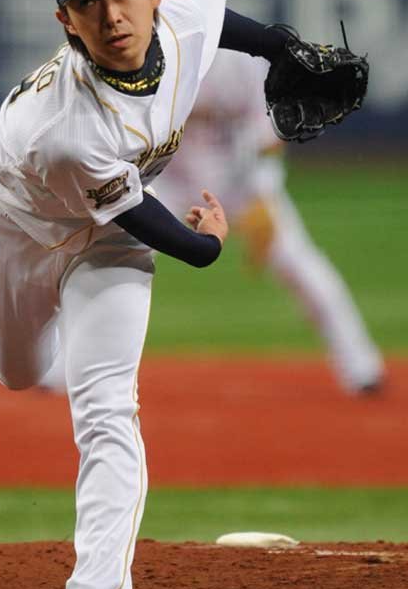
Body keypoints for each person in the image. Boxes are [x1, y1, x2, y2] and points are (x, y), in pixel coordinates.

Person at [0, 0, 320, 589]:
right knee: (19, 371)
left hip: (108, 238)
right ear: (65, 21)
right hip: (16, 226)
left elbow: (226, 23)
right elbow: (165, 231)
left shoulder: (180, 12)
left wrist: (283, 48)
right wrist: (209, 243)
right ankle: (17, 328)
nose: (111, 15)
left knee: (106, 409)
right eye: (86, 3)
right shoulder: (65, 128)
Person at [152, 48, 385, 394]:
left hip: (240, 183)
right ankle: (76, 371)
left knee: (301, 264)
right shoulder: (161, 51)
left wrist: (262, 194)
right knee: (118, 253)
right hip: (169, 182)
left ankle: (362, 367)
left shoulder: (244, 59)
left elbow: (271, 133)